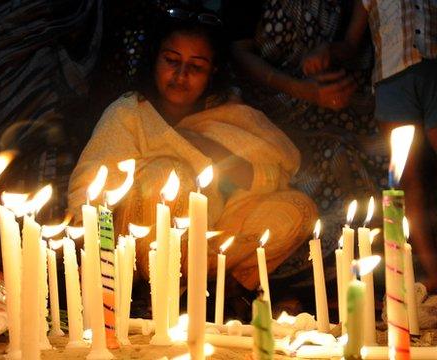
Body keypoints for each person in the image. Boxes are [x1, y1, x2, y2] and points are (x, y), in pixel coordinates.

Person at [67, 8, 317, 301]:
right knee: (167, 177)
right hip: (135, 250)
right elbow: (87, 190)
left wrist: (206, 148)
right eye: (172, 61)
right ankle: (150, 295)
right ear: (154, 59)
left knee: (298, 209)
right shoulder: (129, 112)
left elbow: (273, 177)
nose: (181, 75)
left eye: (195, 67)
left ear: (212, 71)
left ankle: (224, 289)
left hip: (207, 244)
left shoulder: (228, 116)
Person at [228, 0, 389, 288]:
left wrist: (333, 63)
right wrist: (301, 89)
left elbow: (353, 43)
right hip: (273, 113)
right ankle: (299, 285)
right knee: (309, 177)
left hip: (340, 111)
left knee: (365, 160)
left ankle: (364, 273)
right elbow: (238, 51)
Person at [301, 0, 437, 291]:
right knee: (409, 180)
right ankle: (432, 270)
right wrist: (326, 53)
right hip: (392, 83)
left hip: (434, 76)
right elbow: (351, 45)